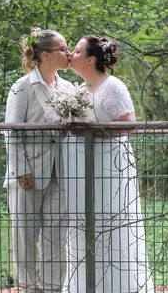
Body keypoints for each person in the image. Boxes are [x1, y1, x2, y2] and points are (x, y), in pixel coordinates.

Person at [62, 34, 154, 293]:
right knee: (84, 227)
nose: (71, 54)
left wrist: (91, 131)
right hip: (82, 171)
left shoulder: (111, 86)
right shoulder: (80, 90)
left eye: (77, 51)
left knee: (112, 226)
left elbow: (128, 123)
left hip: (109, 168)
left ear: (91, 59)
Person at [4, 28, 71, 293]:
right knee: (25, 236)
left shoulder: (67, 88)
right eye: (62, 50)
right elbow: (11, 130)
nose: (67, 54)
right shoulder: (22, 87)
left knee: (57, 238)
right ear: (44, 55)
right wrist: (21, 169)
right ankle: (30, 288)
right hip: (27, 174)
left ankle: (54, 289)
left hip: (60, 173)